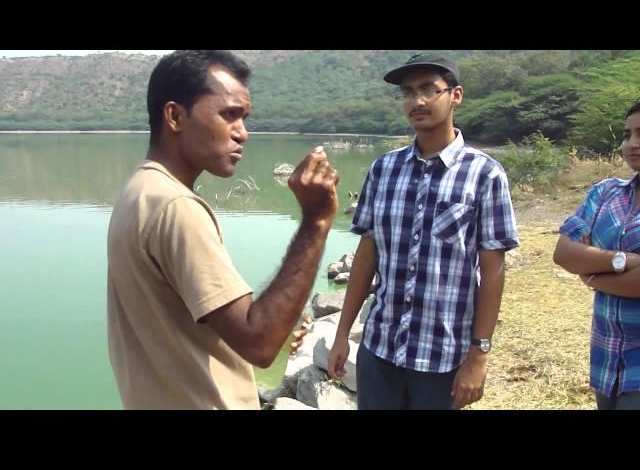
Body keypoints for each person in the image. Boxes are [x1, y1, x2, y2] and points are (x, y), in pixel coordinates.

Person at [107, 50, 339, 410]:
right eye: (228, 115)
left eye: (244, 118)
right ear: (174, 116)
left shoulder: (140, 191)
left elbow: (203, 326)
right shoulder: (176, 207)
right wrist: (316, 222)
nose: (242, 134)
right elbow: (259, 341)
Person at [327, 53, 519, 409]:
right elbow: (367, 256)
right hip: (380, 349)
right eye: (408, 92)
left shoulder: (485, 175)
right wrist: (342, 335)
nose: (417, 101)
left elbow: (493, 272)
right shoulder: (384, 169)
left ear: (455, 95)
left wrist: (479, 356)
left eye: (430, 90)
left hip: (443, 358)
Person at [553, 100, 640, 410]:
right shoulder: (605, 192)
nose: (632, 144)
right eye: (628, 134)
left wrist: (591, 273)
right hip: (607, 359)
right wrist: (624, 261)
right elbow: (564, 252)